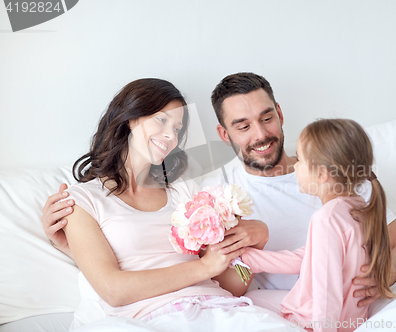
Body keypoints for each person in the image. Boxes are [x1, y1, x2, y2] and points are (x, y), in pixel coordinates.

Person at [42, 73, 396, 307]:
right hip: (287, 307)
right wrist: (72, 245)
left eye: (266, 117)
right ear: (223, 134)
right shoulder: (212, 193)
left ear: (280, 113)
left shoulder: (340, 173)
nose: (260, 135)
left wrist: (374, 279)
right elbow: (231, 278)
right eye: (242, 126)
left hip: (367, 301)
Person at [54, 78, 298, 331]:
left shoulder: (186, 192)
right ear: (131, 118)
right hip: (149, 319)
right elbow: (114, 290)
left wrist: (253, 248)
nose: (171, 135)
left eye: (178, 128)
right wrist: (203, 267)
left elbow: (231, 286)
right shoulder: (81, 201)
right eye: (162, 120)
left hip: (220, 309)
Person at [240, 118, 395, 332]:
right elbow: (305, 259)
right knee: (254, 296)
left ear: (321, 174)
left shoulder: (327, 219)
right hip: (352, 317)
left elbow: (326, 292)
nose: (295, 165)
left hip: (322, 321)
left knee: (247, 302)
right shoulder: (357, 207)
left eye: (301, 160)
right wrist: (248, 258)